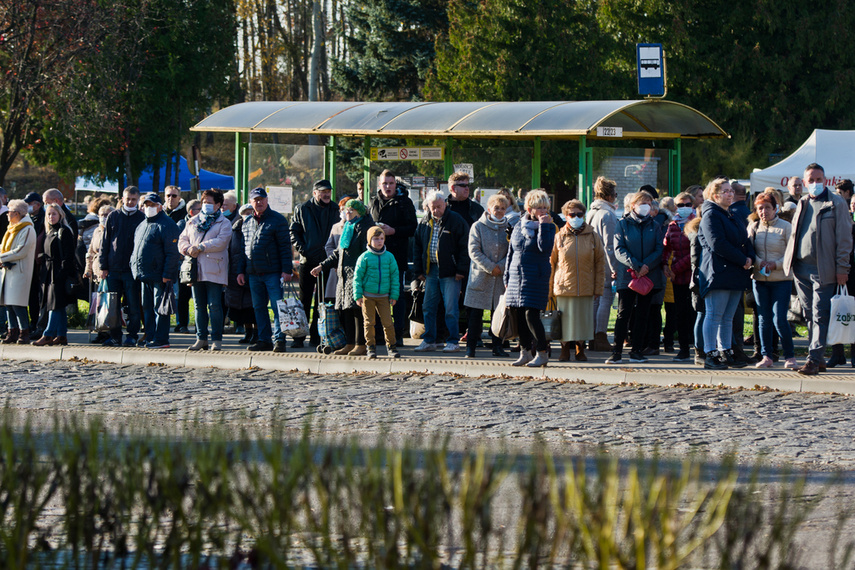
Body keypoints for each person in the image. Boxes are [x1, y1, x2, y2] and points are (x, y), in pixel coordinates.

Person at [784, 163, 853, 375]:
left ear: (825, 180)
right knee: (808, 314)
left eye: (818, 179)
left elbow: (844, 239)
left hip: (824, 269)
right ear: (804, 183)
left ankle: (813, 359)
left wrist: (843, 267)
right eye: (811, 180)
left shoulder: (837, 203)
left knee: (819, 313)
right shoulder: (803, 203)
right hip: (801, 267)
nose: (815, 183)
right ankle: (819, 356)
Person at [697, 178, 755, 370]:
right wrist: (741, 259)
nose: (730, 194)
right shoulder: (711, 215)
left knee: (728, 316)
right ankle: (710, 353)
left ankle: (726, 351)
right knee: (714, 314)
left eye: (731, 191)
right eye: (725, 191)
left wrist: (750, 257)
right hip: (719, 271)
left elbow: (744, 239)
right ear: (715, 195)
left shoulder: (731, 214)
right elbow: (717, 243)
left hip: (735, 272)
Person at [311, 199, 375, 356]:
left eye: (351, 210)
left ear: (359, 212)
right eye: (346, 210)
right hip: (343, 275)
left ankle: (361, 344)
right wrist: (322, 266)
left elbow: (367, 253)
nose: (348, 212)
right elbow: (338, 252)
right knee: (346, 310)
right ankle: (350, 343)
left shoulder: (364, 227)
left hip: (357, 275)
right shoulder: (348, 227)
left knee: (357, 311)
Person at [607, 191, 664, 364]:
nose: (646, 205)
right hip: (628, 276)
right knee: (624, 314)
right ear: (633, 205)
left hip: (648, 276)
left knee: (643, 314)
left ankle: (636, 351)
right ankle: (616, 351)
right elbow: (619, 249)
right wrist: (636, 265)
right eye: (642, 202)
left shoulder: (655, 226)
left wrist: (646, 266)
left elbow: (659, 249)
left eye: (649, 202)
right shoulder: (622, 224)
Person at [237, 187, 294, 353]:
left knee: (278, 308)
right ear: (251, 202)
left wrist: (287, 270)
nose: (259, 202)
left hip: (273, 272)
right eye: (255, 199)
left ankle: (279, 340)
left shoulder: (277, 220)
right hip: (253, 273)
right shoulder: (246, 222)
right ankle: (264, 340)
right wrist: (241, 271)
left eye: (261, 199)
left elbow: (285, 247)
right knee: (259, 308)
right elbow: (243, 249)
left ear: (267, 200)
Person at [503, 189, 556, 367]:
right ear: (529, 208)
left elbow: (545, 248)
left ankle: (541, 351)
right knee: (519, 316)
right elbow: (511, 252)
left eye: (545, 207)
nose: (542, 210)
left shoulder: (548, 226)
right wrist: (507, 277)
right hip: (516, 278)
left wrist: (544, 226)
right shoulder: (519, 225)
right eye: (538, 207)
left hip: (536, 277)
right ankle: (524, 351)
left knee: (531, 315)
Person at [412, 191, 470, 353]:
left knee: (450, 308)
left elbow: (465, 247)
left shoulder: (456, 220)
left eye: (439, 206)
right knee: (428, 306)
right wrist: (419, 271)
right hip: (431, 271)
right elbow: (417, 247)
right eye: (432, 207)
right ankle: (430, 340)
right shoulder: (424, 222)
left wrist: (460, 270)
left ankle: (453, 341)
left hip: (451, 272)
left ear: (445, 204)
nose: (436, 210)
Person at [550, 199, 604, 362]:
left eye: (579, 214)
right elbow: (551, 263)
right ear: (566, 216)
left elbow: (600, 264)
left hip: (586, 286)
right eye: (571, 214)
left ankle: (580, 348)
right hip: (565, 286)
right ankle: (565, 348)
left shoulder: (593, 236)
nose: (575, 217)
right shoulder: (559, 236)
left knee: (583, 320)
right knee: (565, 320)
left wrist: (598, 288)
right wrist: (550, 287)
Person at [178, 189, 232, 352]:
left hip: (214, 269)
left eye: (210, 202)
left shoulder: (224, 223)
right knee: (198, 306)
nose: (206, 205)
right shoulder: (193, 221)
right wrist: (187, 249)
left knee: (214, 305)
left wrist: (201, 247)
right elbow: (182, 239)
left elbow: (221, 242)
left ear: (218, 204)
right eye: (204, 202)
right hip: (196, 269)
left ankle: (216, 339)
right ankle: (201, 338)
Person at [369, 171, 417, 345]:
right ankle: (379, 334)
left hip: (397, 256)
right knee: (375, 294)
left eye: (391, 183)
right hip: (375, 258)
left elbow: (413, 227)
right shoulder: (373, 202)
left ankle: (397, 335)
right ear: (379, 185)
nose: (388, 187)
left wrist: (393, 231)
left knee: (396, 296)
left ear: (395, 184)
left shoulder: (404, 202)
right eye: (385, 183)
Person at [748, 193, 795, 369]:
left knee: (780, 319)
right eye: (760, 208)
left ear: (775, 208)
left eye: (767, 207)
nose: (763, 211)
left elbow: (791, 253)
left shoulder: (785, 227)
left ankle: (790, 356)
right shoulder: (753, 227)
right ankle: (766, 356)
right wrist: (760, 263)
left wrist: (775, 264)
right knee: (763, 319)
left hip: (781, 279)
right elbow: (750, 250)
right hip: (760, 280)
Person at [290, 179, 339, 348]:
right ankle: (299, 336)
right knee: (304, 299)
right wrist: (303, 250)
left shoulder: (335, 209)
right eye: (323, 191)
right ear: (315, 193)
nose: (326, 194)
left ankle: (317, 335)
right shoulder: (302, 209)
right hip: (307, 261)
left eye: (329, 191)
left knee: (323, 301)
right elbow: (293, 232)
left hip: (327, 262)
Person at [130, 193, 181, 349]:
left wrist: (167, 274)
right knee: (147, 308)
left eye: (152, 205)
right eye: (146, 205)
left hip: (160, 275)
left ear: (160, 206)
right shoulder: (142, 224)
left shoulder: (167, 225)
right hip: (144, 274)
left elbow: (173, 253)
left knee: (160, 308)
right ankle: (150, 336)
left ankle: (161, 338)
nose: (148, 208)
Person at [463, 193, 510, 358]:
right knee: (475, 315)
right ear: (489, 208)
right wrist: (491, 267)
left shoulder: (509, 227)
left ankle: (498, 346)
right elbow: (473, 250)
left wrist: (502, 266)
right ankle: (471, 348)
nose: (499, 211)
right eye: (496, 208)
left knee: (498, 315)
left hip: (500, 278)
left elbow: (513, 250)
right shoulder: (478, 226)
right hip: (481, 277)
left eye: (503, 208)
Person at [99, 186, 145, 347]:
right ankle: (115, 336)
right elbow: (105, 242)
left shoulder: (142, 217)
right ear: (122, 199)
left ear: (138, 200)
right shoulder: (113, 216)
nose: (130, 202)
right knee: (113, 306)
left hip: (131, 270)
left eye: (133, 199)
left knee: (133, 305)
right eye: (128, 199)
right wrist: (103, 265)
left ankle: (132, 335)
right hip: (113, 268)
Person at [353, 226, 400, 359]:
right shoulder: (364, 257)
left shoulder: (389, 257)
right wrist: (358, 295)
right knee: (369, 323)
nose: (379, 241)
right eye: (376, 239)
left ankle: (391, 346)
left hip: (384, 296)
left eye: (381, 238)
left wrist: (394, 295)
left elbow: (394, 277)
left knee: (388, 323)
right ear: (369, 240)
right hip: (368, 296)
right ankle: (370, 347)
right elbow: (357, 277)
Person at [33, 203, 77, 346]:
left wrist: (61, 273)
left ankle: (48, 334)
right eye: (49, 214)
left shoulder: (64, 231)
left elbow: (69, 256)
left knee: (55, 305)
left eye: (54, 214)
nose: (51, 217)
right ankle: (62, 335)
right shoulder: (49, 231)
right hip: (48, 272)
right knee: (58, 304)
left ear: (60, 215)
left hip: (58, 273)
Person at [660, 192, 697, 362]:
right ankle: (683, 348)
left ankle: (699, 348)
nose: (684, 208)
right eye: (680, 205)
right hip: (677, 278)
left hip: (694, 275)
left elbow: (695, 253)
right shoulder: (673, 225)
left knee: (696, 313)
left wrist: (674, 268)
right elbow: (666, 247)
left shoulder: (697, 222)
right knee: (681, 314)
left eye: (687, 204)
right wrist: (664, 266)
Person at [586, 176, 619, 352]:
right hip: (605, 264)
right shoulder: (607, 215)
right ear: (609, 196)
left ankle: (592, 336)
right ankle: (600, 335)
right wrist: (615, 268)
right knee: (605, 299)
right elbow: (610, 245)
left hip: (592, 262)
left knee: (595, 301)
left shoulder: (591, 212)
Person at [0, 200, 36, 344]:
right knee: (8, 304)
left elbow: (21, 250)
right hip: (8, 270)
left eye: (9, 211)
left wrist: (1, 257)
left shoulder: (27, 229)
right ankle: (12, 331)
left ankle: (24, 332)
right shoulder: (12, 228)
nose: (7, 214)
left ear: (17, 213)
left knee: (18, 304)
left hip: (20, 271)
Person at [226, 203, 257, 344]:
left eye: (251, 211)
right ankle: (247, 332)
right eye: (245, 212)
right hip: (235, 274)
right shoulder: (234, 229)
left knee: (253, 306)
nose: (248, 214)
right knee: (241, 307)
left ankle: (256, 333)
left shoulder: (257, 227)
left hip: (253, 271)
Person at [174, 199, 201, 335]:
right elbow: (177, 243)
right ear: (191, 212)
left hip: (200, 265)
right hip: (185, 266)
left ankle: (199, 326)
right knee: (184, 297)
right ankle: (183, 324)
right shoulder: (182, 224)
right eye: (199, 210)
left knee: (199, 298)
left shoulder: (204, 222)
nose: (202, 212)